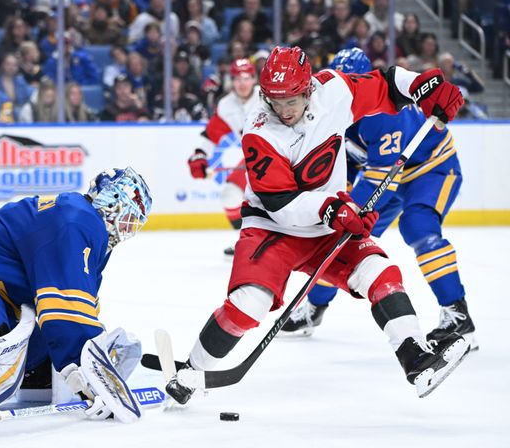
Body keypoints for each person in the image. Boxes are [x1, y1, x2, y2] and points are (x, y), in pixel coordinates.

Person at [165, 46, 470, 406]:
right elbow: (280, 203)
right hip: (272, 229)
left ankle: (416, 359)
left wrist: (422, 85)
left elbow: (386, 83)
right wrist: (334, 209)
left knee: (379, 270)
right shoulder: (260, 131)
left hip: (325, 226)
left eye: (292, 97)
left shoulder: (334, 92)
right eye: (276, 100)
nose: (284, 109)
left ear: (309, 87)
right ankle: (189, 372)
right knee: (250, 304)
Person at [0, 167, 153, 438]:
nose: (129, 225)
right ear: (112, 202)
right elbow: (66, 307)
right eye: (128, 214)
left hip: (3, 293)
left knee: (34, 345)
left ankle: (35, 375)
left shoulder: (87, 228)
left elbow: (78, 305)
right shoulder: (77, 219)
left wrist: (79, 367)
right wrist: (89, 375)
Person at [281, 48, 477, 352]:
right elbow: (343, 164)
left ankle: (458, 316)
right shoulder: (329, 105)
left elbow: (380, 180)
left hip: (431, 169)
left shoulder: (381, 115)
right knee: (340, 241)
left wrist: (349, 209)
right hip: (387, 174)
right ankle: (314, 308)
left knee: (418, 227)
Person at [187, 58, 260, 256]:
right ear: (232, 81)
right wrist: (200, 156)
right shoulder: (227, 105)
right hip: (254, 161)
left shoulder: (268, 97)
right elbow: (211, 135)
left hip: (283, 159)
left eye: (246, 78)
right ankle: (246, 241)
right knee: (230, 196)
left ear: (254, 79)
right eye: (238, 78)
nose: (242, 83)